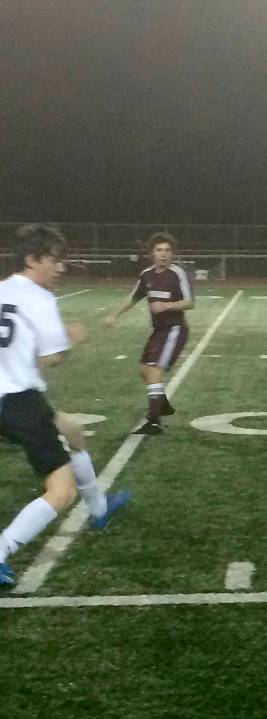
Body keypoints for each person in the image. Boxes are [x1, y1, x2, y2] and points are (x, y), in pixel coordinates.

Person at [0, 225, 131, 587]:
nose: (61, 268)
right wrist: (72, 338)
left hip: (12, 396)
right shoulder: (39, 299)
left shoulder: (1, 289)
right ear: (31, 259)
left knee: (72, 431)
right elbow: (53, 357)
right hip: (17, 400)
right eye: (55, 260)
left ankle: (100, 509)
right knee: (61, 491)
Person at [105, 232, 194, 435]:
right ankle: (162, 404)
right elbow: (134, 297)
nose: (163, 254)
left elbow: (189, 302)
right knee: (144, 370)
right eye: (159, 250)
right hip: (158, 331)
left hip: (175, 329)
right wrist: (114, 315)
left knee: (154, 371)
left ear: (173, 254)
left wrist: (166, 305)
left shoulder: (177, 273)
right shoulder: (147, 275)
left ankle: (154, 421)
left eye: (167, 250)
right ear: (151, 253)